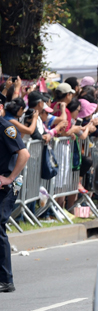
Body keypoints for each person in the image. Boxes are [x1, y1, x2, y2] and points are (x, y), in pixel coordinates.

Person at [0, 108, 30, 292]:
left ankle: (6, 280)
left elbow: (24, 154)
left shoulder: (5, 127)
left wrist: (9, 178)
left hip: (6, 184)